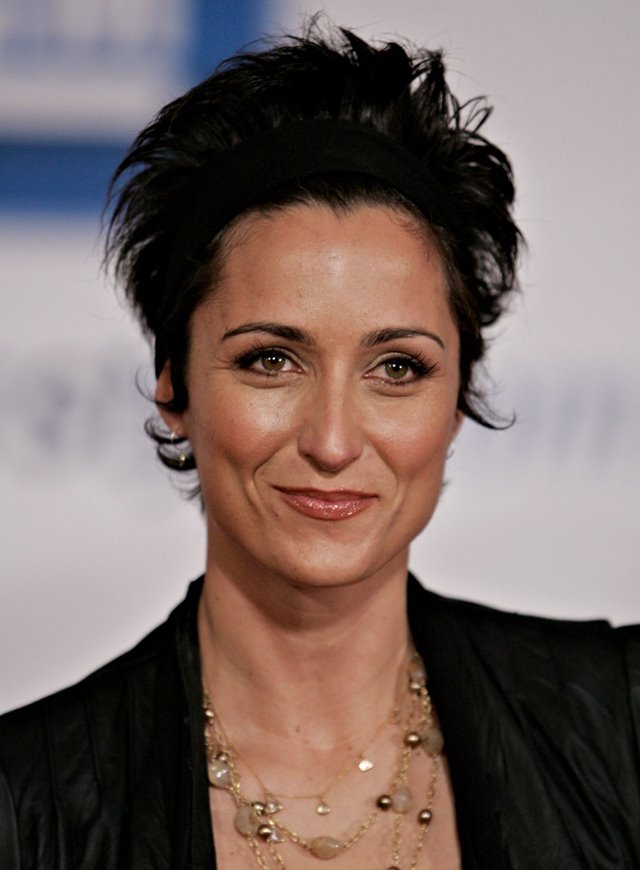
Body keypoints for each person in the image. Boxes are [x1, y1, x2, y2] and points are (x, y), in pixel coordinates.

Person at [1, 23, 638, 870]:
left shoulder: (622, 723)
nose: (333, 441)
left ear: (456, 402)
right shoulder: (25, 806)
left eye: (398, 367)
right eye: (271, 360)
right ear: (174, 387)